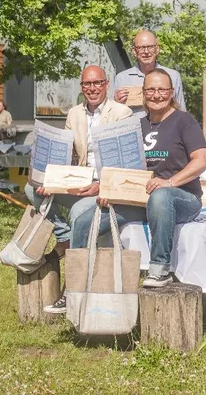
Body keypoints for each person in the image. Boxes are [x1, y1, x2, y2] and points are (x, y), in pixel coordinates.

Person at [71, 68, 206, 289]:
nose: (156, 95)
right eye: (151, 90)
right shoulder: (136, 126)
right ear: (143, 93)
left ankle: (160, 269)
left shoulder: (184, 121)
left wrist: (170, 182)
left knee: (160, 195)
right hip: (141, 200)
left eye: (162, 90)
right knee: (84, 223)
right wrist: (110, 191)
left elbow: (202, 160)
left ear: (172, 92)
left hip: (183, 198)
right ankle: (75, 287)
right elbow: (123, 168)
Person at [33, 65, 133, 281]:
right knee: (32, 189)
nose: (92, 88)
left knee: (78, 212)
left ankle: (75, 282)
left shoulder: (121, 113)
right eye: (87, 84)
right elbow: (67, 154)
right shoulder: (74, 113)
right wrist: (51, 179)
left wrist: (101, 185)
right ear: (82, 87)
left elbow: (124, 164)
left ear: (107, 84)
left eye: (97, 83)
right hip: (80, 179)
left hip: (106, 186)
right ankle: (64, 236)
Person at [113, 30, 186, 113]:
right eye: (141, 48)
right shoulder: (122, 78)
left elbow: (181, 111)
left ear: (157, 49)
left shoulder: (173, 76)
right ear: (134, 51)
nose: (146, 52)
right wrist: (116, 103)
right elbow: (114, 115)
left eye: (150, 47)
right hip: (133, 126)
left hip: (165, 125)